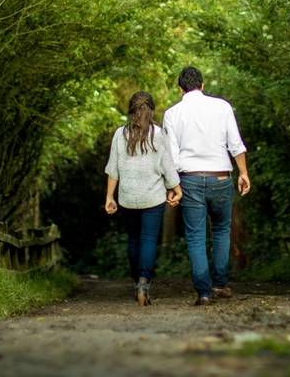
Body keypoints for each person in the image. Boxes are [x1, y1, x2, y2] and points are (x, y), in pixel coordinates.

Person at [163, 66, 250, 306]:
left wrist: (173, 186)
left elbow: (171, 155)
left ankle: (203, 292)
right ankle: (220, 284)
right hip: (221, 176)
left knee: (195, 236)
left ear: (180, 89)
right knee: (222, 230)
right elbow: (236, 144)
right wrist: (243, 172)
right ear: (202, 85)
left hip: (189, 179)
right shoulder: (222, 107)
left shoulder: (172, 113)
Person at [104, 91, 182, 306]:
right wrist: (176, 188)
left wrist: (110, 197)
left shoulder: (120, 134)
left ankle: (135, 279)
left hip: (128, 197)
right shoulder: (158, 133)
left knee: (133, 239)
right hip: (153, 197)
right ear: (152, 109)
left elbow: (113, 169)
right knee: (148, 239)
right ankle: (143, 282)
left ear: (130, 111)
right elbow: (167, 165)